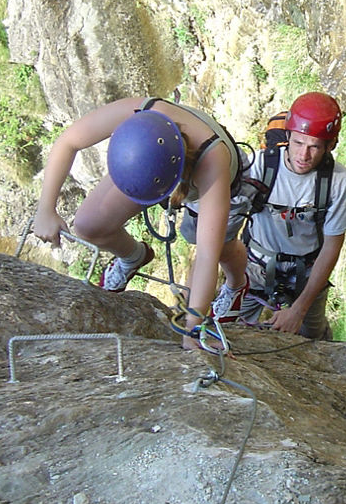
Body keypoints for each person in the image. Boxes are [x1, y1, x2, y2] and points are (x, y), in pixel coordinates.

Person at [31, 96, 244, 350]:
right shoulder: (137, 113)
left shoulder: (213, 161)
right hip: (152, 166)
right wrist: (46, 208)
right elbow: (68, 141)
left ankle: (237, 284)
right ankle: (133, 257)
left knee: (221, 248)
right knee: (88, 225)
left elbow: (208, 254)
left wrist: (193, 328)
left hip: (211, 179)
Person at [213, 92, 346, 340]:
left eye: (315, 147)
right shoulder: (259, 167)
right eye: (298, 143)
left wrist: (299, 310)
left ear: (330, 146)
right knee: (228, 332)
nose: (304, 155)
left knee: (314, 339)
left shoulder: (337, 182)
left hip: (308, 272)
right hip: (255, 268)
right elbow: (222, 224)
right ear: (288, 135)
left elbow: (333, 246)